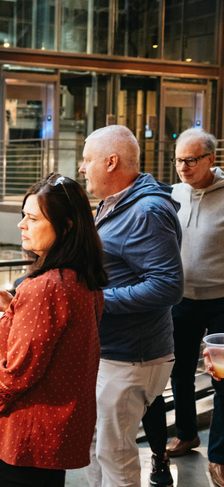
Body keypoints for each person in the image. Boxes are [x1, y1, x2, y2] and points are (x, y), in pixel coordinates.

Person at [0, 173, 107, 487]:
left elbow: (16, 373)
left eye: (32, 218)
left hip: (26, 437)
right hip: (55, 435)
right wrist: (14, 307)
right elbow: (59, 340)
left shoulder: (44, 287)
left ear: (65, 227)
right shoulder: (80, 277)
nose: (21, 225)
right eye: (23, 216)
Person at [79, 125, 184, 487]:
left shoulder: (147, 211)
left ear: (111, 162)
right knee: (96, 449)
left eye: (87, 159)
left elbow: (168, 286)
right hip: (112, 352)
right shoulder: (116, 204)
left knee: (115, 455)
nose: (82, 167)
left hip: (131, 358)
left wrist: (94, 301)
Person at [163, 128, 224, 487]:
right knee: (180, 373)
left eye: (190, 160)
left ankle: (219, 456)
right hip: (181, 299)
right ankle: (187, 434)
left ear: (211, 160)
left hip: (221, 302)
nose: (182, 167)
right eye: (178, 160)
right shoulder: (174, 194)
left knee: (222, 380)